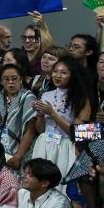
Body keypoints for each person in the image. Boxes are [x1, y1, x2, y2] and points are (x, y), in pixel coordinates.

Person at [32, 56, 91, 188]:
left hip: (66, 145)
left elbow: (78, 134)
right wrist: (40, 114)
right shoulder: (46, 95)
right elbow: (40, 130)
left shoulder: (81, 99)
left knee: (60, 186)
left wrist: (53, 114)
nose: (57, 75)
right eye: (55, 71)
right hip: (45, 142)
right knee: (39, 183)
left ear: (73, 75)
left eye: (63, 72)